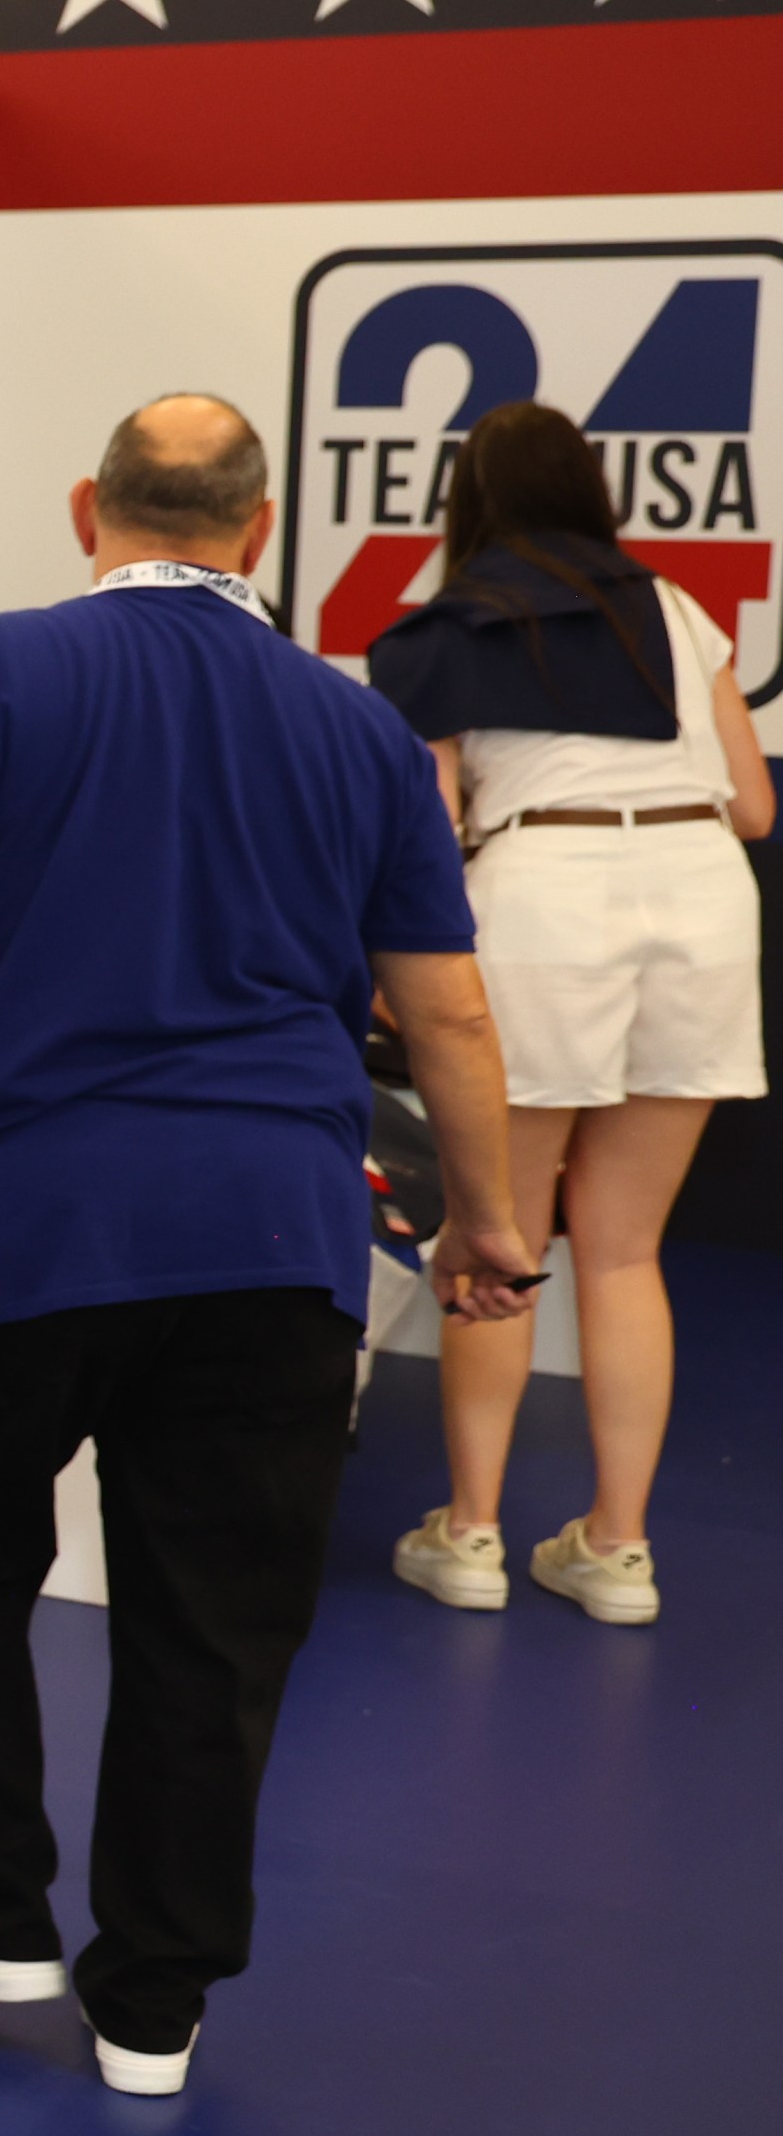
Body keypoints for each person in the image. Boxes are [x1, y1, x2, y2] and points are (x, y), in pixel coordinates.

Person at [0, 394, 537, 2099]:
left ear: (88, 508)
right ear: (256, 533)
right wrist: (490, 1224)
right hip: (271, 1244)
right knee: (214, 1624)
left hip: (19, 1227)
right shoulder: (359, 730)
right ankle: (153, 2007)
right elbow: (448, 1014)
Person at [371, 400, 775, 1626]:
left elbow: (426, 831)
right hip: (705, 904)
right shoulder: (674, 605)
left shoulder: (441, 629)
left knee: (504, 1233)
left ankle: (475, 1535)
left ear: (470, 501)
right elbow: (755, 806)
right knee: (625, 1246)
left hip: (543, 903)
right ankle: (618, 1550)